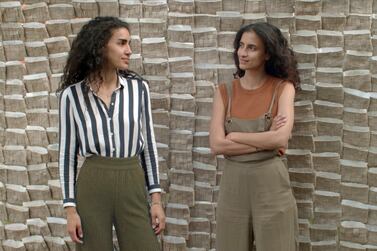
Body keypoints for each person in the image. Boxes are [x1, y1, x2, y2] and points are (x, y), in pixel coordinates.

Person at [58, 16, 165, 251]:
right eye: (122, 43)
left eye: (129, 44)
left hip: (131, 178)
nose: (129, 51)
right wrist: (70, 209)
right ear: (100, 46)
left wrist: (156, 199)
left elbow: (149, 146)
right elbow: (66, 156)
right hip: (92, 182)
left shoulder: (139, 89)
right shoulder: (72, 96)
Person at [209, 22, 300, 251]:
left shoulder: (283, 89)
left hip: (272, 185)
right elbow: (216, 145)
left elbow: (280, 140)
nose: (243, 52)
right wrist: (266, 138)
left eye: (252, 48)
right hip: (233, 187)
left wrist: (236, 136)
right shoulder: (224, 91)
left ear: (268, 53)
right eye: (241, 46)